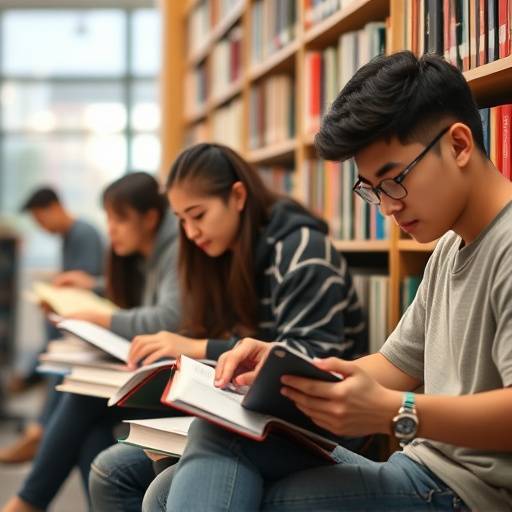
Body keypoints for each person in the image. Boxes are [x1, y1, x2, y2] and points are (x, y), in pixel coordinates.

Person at [144, 51, 512, 512]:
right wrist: (289, 370)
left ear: (458, 145)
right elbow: (394, 365)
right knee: (179, 473)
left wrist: (393, 412)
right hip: (420, 468)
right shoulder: (448, 248)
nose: (388, 206)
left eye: (393, 180)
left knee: (263, 500)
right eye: (372, 191)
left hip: (469, 493)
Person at [88, 142, 368, 512]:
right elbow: (237, 342)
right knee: (110, 470)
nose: (190, 232)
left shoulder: (301, 250)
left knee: (147, 476)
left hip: (316, 423)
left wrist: (199, 349)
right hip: (251, 413)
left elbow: (309, 358)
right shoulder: (224, 254)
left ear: (237, 196)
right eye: (181, 220)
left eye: (198, 215)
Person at [1, 172, 181, 512]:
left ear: (151, 218)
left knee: (82, 393)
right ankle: (31, 494)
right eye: (109, 218)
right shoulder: (144, 252)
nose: (110, 230)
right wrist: (93, 288)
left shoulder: (175, 247)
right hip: (155, 369)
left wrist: (99, 316)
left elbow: (167, 318)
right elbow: (136, 299)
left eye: (119, 219)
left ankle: (28, 499)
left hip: (179, 382)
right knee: (91, 435)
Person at [0, 187, 104, 464]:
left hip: (91, 324)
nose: (41, 226)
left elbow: (87, 288)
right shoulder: (70, 237)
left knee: (57, 354)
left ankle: (36, 420)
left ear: (54, 208)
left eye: (40, 218)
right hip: (76, 324)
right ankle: (33, 405)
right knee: (52, 343)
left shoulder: (84, 233)